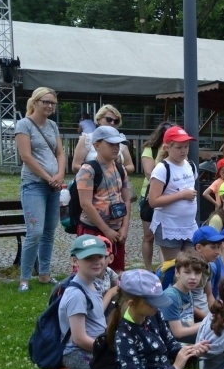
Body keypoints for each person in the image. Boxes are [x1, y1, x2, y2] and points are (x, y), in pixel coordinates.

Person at [71, 270, 211, 369]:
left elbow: (171, 345)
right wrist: (175, 368)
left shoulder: (154, 314)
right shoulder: (124, 335)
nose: (157, 306)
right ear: (131, 303)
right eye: (152, 302)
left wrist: (192, 351)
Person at [16, 87, 65, 292]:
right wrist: (48, 177)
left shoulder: (52, 126)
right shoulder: (24, 124)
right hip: (34, 184)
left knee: (49, 232)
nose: (49, 106)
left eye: (52, 103)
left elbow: (60, 153)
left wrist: (60, 175)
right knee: (34, 231)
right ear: (34, 102)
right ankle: (24, 278)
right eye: (45, 101)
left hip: (53, 185)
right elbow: (26, 156)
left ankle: (44, 274)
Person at [48, 236, 112, 369]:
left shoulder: (94, 284)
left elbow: (96, 315)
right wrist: (107, 351)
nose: (97, 262)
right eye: (89, 258)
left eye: (100, 256)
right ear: (75, 261)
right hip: (77, 353)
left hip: (96, 347)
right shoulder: (76, 294)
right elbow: (79, 339)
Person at [75, 125, 131, 272]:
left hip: (117, 232)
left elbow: (126, 199)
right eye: (111, 144)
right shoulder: (87, 170)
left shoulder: (121, 168)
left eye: (117, 144)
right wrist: (106, 230)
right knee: (92, 272)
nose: (116, 148)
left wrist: (124, 228)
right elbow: (85, 204)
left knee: (117, 272)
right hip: (93, 229)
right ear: (97, 145)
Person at [148, 126, 198, 261]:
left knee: (191, 264)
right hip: (169, 225)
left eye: (186, 147)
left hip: (189, 225)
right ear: (167, 148)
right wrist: (182, 195)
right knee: (174, 266)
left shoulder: (190, 165)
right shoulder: (162, 169)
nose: (183, 151)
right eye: (179, 147)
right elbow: (153, 201)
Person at [139, 122, 171, 271]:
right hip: (150, 195)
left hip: (169, 196)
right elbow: (149, 172)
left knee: (165, 236)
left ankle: (164, 268)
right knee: (149, 235)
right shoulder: (150, 149)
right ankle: (148, 268)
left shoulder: (175, 149)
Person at [71, 105, 134, 175]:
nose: (112, 123)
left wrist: (119, 170)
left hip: (117, 182)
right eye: (109, 119)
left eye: (116, 121)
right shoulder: (87, 139)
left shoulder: (121, 140)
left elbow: (130, 166)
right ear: (99, 119)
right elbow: (75, 166)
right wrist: (96, 172)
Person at [161, 251, 208, 343]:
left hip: (188, 330)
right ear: (177, 272)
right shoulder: (171, 296)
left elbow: (191, 308)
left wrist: (209, 318)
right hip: (174, 340)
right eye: (187, 272)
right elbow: (178, 333)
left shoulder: (187, 291)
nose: (193, 277)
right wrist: (207, 323)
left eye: (197, 273)